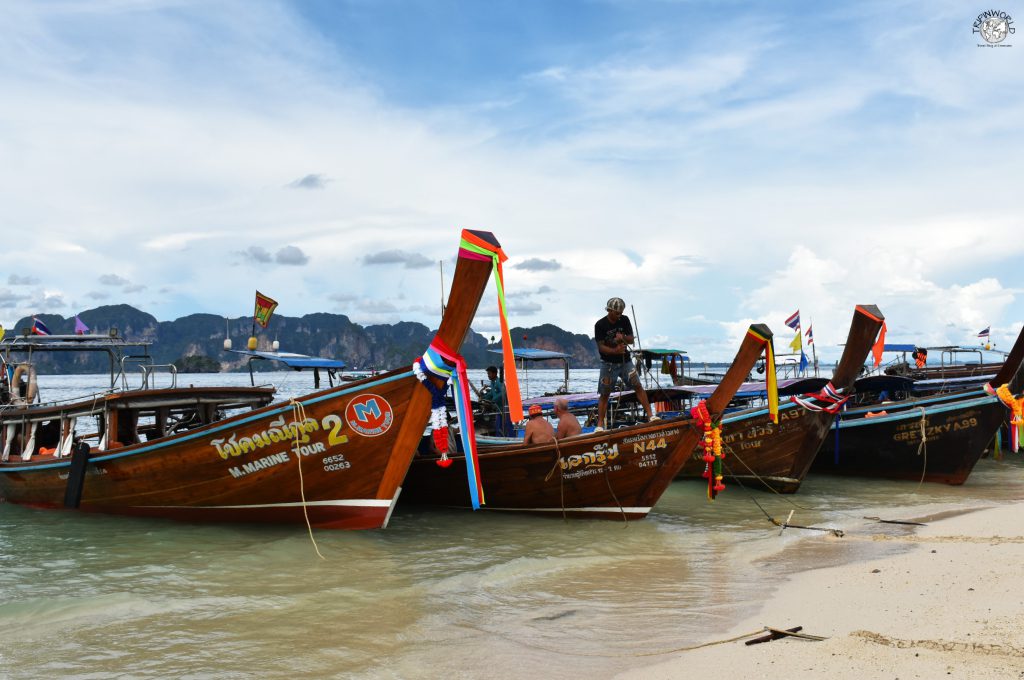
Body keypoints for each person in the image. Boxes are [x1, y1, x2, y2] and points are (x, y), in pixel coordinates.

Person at [594, 297, 658, 430]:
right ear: (609, 310)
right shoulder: (600, 325)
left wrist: (622, 338)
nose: (619, 315)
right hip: (608, 364)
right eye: (617, 313)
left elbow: (630, 339)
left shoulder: (624, 319)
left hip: (625, 362)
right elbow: (601, 347)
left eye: (621, 313)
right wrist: (614, 351)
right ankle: (600, 425)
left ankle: (651, 416)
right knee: (605, 393)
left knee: (637, 385)